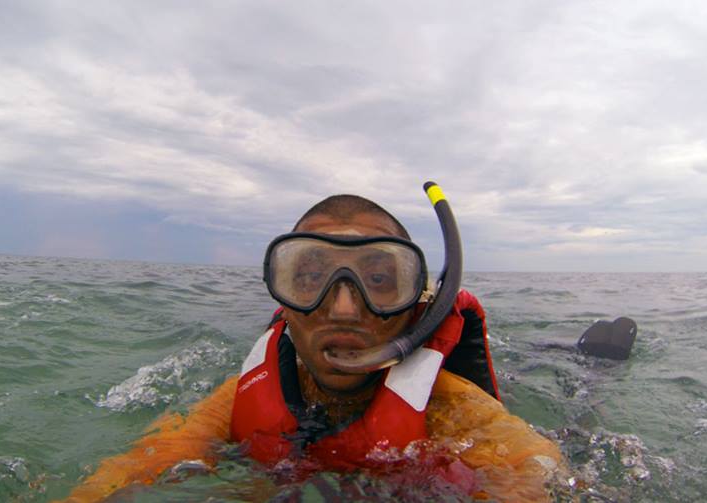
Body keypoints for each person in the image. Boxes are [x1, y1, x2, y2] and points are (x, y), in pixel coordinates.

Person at [61, 190, 565, 502]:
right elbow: (124, 475)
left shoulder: (456, 414)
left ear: (418, 306)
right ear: (285, 302)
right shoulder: (232, 403)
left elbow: (532, 475)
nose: (344, 308)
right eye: (309, 277)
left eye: (380, 279)